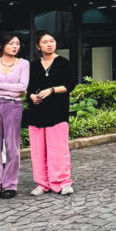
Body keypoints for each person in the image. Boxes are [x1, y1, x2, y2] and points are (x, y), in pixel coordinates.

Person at [25, 31, 76, 196]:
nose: (49, 44)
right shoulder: (32, 65)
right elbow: (28, 88)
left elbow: (70, 84)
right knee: (38, 151)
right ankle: (42, 183)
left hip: (57, 111)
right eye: (45, 41)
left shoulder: (63, 62)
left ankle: (63, 182)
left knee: (58, 149)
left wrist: (52, 90)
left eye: (52, 41)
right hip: (37, 112)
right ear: (38, 46)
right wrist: (32, 96)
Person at [0, 33, 29, 201]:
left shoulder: (23, 64)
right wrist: (11, 90)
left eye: (17, 43)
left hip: (13, 106)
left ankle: (10, 185)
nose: (15, 46)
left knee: (12, 146)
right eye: (10, 43)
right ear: (2, 46)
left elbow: (23, 87)